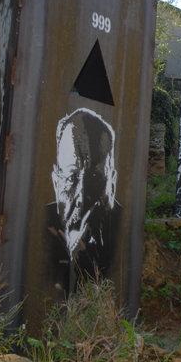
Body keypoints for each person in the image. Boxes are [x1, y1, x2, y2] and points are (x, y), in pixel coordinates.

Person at [46, 108, 121, 292]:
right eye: (71, 178)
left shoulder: (125, 228)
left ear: (111, 183)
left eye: (94, 178)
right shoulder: (37, 226)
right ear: (56, 183)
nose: (80, 198)